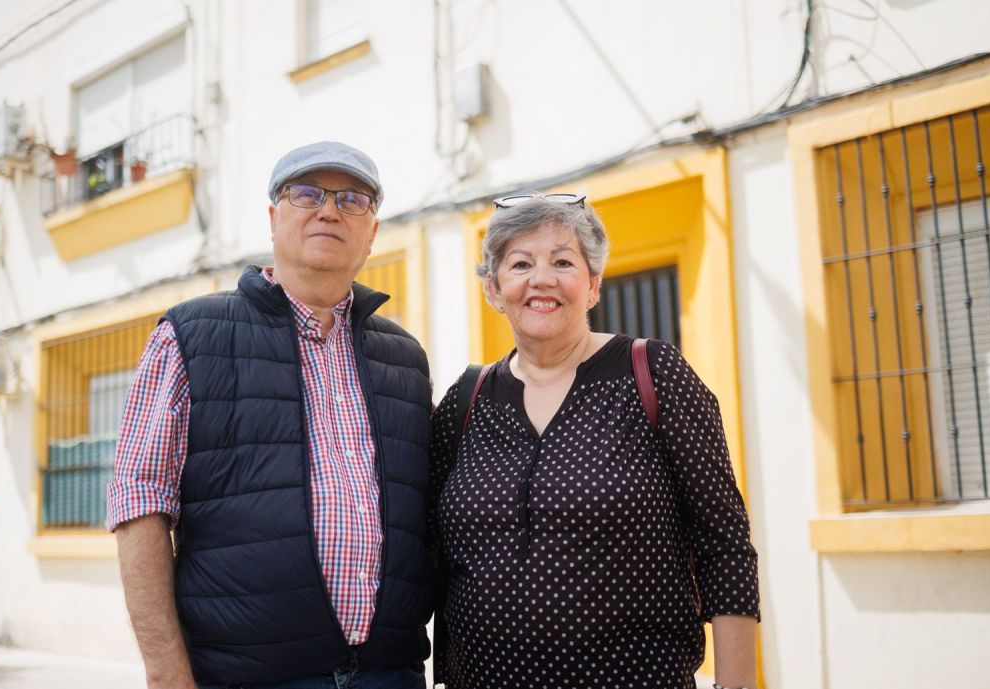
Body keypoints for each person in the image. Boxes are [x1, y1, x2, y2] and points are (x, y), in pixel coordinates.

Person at [109, 141, 434, 689]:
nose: (330, 210)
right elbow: (140, 501)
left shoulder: (404, 356)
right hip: (246, 676)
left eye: (353, 199)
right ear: (273, 217)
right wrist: (166, 673)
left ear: (372, 231)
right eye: (306, 193)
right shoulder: (189, 336)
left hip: (388, 675)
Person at [428, 193, 760, 689]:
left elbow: (725, 543)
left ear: (593, 285)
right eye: (520, 264)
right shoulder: (466, 400)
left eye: (563, 261)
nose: (542, 278)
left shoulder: (653, 374)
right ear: (494, 290)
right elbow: (426, 550)